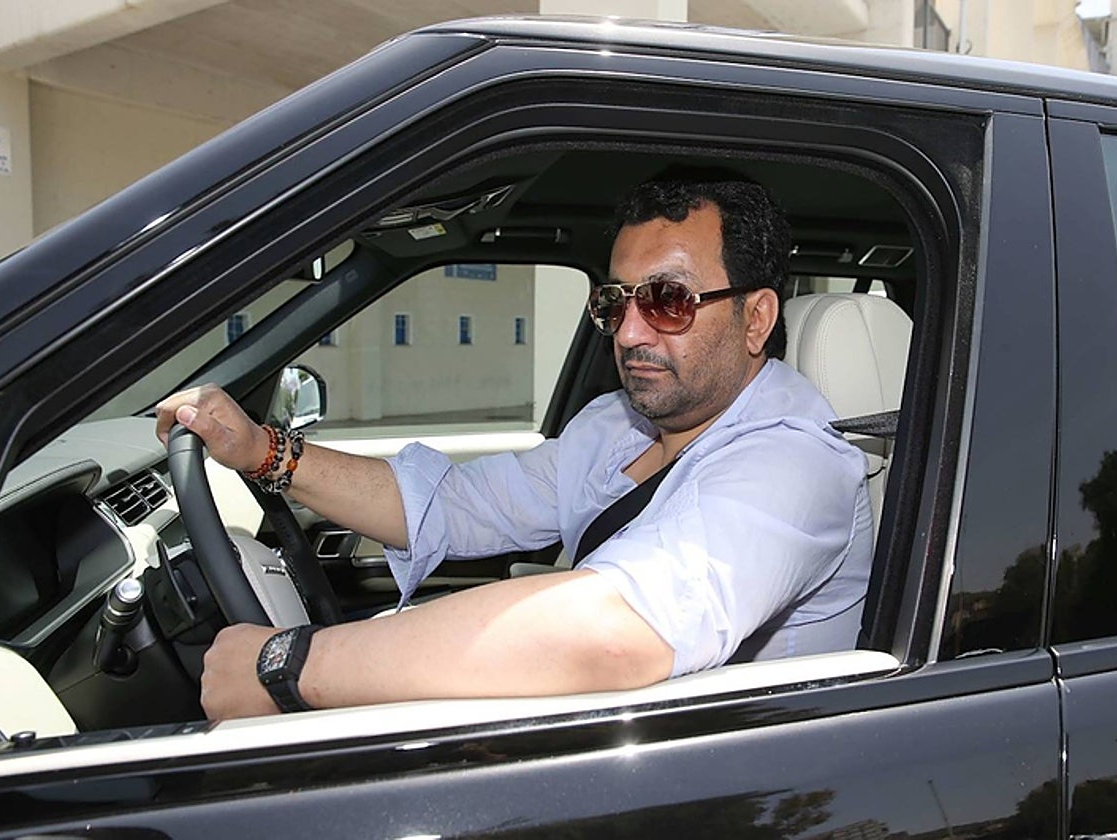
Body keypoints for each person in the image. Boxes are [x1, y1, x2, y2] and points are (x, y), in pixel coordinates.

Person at [155, 173, 874, 720]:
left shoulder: (794, 463)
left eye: (668, 301)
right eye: (615, 302)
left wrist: (287, 667)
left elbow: (618, 630)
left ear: (756, 319)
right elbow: (454, 506)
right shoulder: (614, 426)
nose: (629, 333)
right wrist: (261, 451)